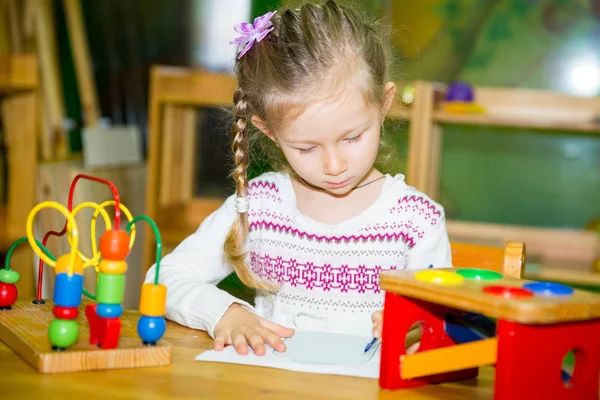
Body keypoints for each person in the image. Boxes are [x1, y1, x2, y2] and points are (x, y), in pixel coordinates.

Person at [144, 0, 452, 356]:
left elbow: (439, 322)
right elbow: (163, 279)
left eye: (352, 138)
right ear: (269, 131)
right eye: (307, 148)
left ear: (383, 103)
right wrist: (225, 312)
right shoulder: (258, 206)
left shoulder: (416, 220)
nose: (334, 165)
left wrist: (414, 326)